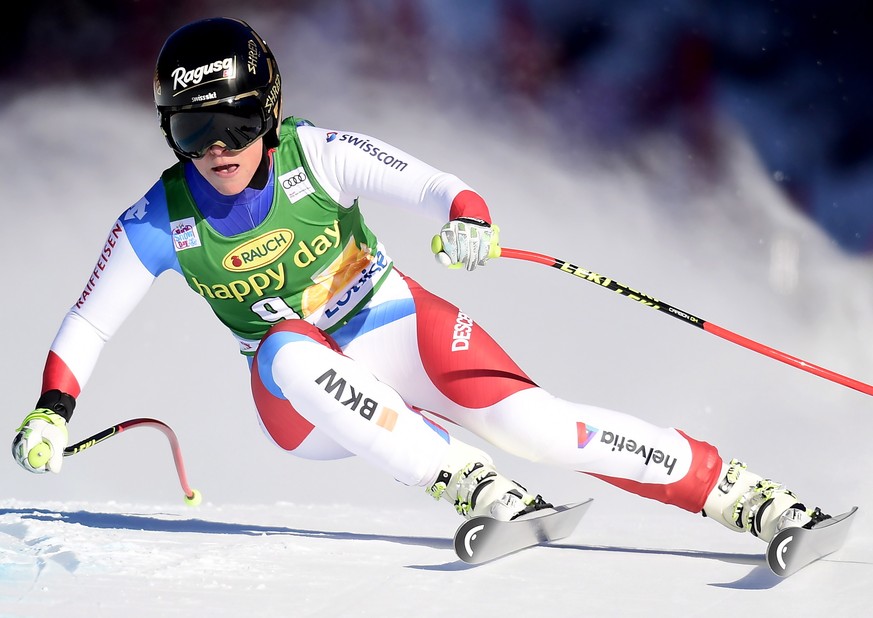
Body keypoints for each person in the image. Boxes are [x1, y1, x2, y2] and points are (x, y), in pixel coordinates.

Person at [12, 17, 828, 543]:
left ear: (269, 113)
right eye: (194, 130)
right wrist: (53, 411)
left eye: (237, 123)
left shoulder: (317, 154)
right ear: (170, 133)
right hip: (305, 405)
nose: (218, 148)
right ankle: (467, 484)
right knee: (289, 350)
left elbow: (439, 187)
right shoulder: (159, 220)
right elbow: (89, 324)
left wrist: (467, 218)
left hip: (396, 321)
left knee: (541, 429)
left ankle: (743, 496)